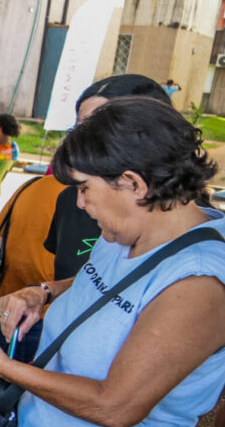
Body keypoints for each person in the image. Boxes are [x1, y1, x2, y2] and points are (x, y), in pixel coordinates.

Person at [0, 97, 225, 427]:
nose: (80, 204)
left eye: (84, 188)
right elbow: (98, 283)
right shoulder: (130, 228)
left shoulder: (199, 282)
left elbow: (115, 407)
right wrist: (43, 292)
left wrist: (1, 366)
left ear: (133, 183)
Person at [44, 75, 175, 282]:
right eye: (78, 131)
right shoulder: (72, 200)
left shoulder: (190, 237)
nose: (83, 145)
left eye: (98, 133)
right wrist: (48, 291)